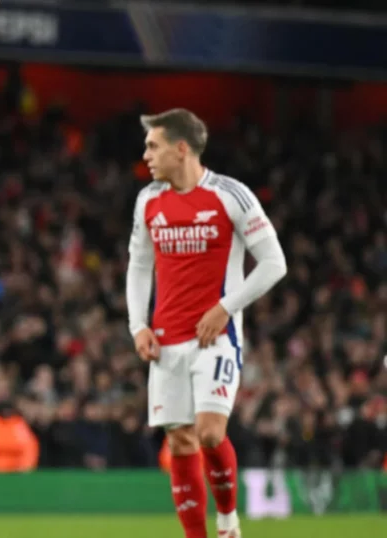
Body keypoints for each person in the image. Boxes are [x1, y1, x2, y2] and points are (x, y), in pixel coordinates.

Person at [126, 109, 288, 538]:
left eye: (153, 145)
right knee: (180, 442)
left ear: (182, 149)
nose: (146, 155)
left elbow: (274, 264)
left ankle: (230, 519)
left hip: (215, 339)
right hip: (164, 341)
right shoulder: (148, 201)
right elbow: (139, 266)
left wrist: (225, 308)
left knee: (211, 433)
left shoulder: (231, 195)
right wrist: (137, 326)